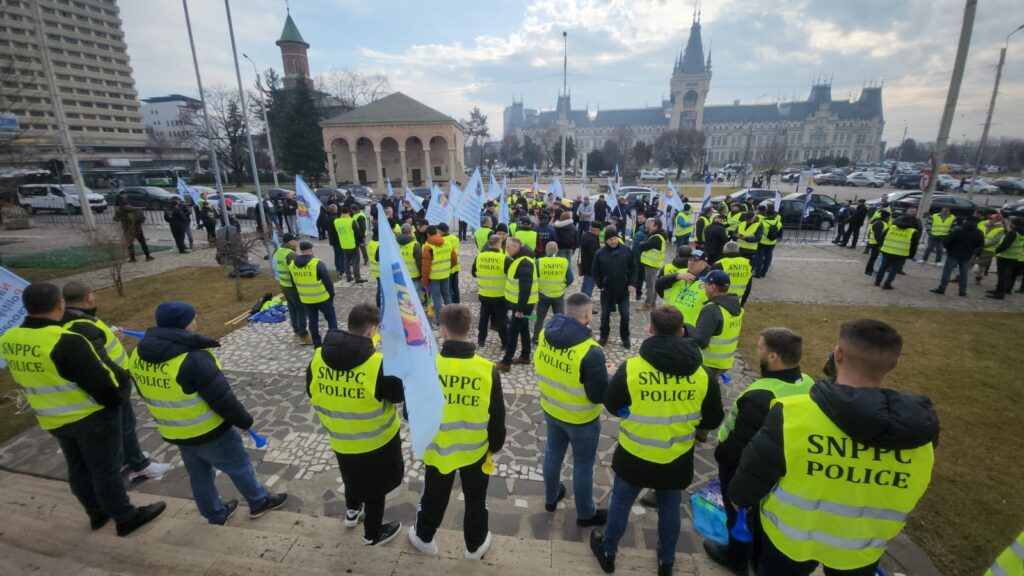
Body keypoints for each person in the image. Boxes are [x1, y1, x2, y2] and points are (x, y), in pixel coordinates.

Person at [729, 320, 938, 576]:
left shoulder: (792, 414)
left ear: (838, 354)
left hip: (790, 543)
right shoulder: (920, 434)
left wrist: (740, 498)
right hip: (861, 549)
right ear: (893, 365)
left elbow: (755, 470)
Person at [0, 283, 167, 536]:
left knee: (78, 467)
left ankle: (97, 513)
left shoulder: (10, 338)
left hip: (52, 417)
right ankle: (125, 517)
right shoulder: (66, 341)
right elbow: (100, 383)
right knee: (106, 469)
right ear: (60, 304)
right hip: (90, 417)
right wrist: (115, 403)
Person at [591, 305, 723, 576]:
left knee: (620, 504)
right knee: (670, 510)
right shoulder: (702, 375)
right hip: (676, 457)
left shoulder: (632, 369)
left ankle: (608, 551)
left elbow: (613, 405)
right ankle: (666, 561)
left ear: (650, 329)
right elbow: (712, 420)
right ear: (682, 331)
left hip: (634, 454)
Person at [130, 302, 288, 525]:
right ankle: (259, 501)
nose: (197, 321)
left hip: (174, 429)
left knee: (199, 473)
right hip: (209, 430)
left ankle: (215, 513)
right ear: (183, 324)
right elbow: (221, 398)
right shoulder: (193, 358)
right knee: (239, 464)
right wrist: (244, 421)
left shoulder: (138, 354)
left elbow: (143, 390)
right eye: (193, 318)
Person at [703, 328, 814, 573]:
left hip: (746, 466)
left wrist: (723, 458)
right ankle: (757, 555)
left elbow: (740, 440)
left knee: (739, 513)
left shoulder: (762, 395)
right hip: (785, 462)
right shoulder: (807, 383)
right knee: (765, 512)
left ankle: (737, 557)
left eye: (760, 347)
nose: (757, 351)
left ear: (773, 357)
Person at [409, 304, 505, 560]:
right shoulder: (487, 370)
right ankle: (475, 544)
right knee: (476, 498)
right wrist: (494, 445)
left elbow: (410, 413)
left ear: (442, 331)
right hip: (474, 449)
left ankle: (424, 536)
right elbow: (496, 415)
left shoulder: (427, 367)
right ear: (470, 329)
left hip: (438, 447)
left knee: (433, 495)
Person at [306, 304, 405, 546]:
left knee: (351, 477)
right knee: (375, 489)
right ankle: (372, 534)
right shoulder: (377, 364)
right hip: (376, 442)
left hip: (341, 438)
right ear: (372, 331)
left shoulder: (319, 357)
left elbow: (310, 390)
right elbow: (397, 395)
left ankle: (351, 513)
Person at [61, 281, 172, 482]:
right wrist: (121, 378)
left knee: (122, 425)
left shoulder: (71, 320)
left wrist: (111, 338)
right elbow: (96, 359)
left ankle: (128, 457)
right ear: (88, 298)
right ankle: (139, 465)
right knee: (125, 425)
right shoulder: (82, 325)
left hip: (104, 385)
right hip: (112, 384)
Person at [534, 293, 609, 525]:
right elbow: (597, 394)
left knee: (552, 453)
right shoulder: (591, 351)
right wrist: (608, 376)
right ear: (587, 314)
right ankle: (586, 514)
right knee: (583, 465)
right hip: (581, 419)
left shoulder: (545, 333)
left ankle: (550, 498)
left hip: (552, 408)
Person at [691, 270, 743, 382]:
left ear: (712, 287)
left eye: (705, 283)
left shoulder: (711, 309)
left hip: (708, 362)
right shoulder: (735, 306)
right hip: (725, 361)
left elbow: (701, 341)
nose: (703, 286)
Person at [592, 225, 636, 349]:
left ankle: (625, 337)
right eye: (610, 239)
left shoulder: (626, 251)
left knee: (625, 315)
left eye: (615, 238)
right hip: (607, 290)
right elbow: (595, 271)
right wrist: (600, 284)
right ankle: (603, 336)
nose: (613, 241)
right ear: (606, 240)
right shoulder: (600, 253)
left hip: (623, 290)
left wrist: (632, 283)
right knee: (605, 315)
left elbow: (633, 268)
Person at [496, 237, 537, 372]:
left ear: (516, 247)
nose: (506, 250)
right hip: (522, 304)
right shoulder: (520, 259)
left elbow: (525, 288)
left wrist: (520, 309)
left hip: (523, 305)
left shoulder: (524, 263)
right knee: (524, 328)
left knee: (513, 332)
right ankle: (525, 356)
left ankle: (506, 362)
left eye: (508, 247)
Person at [289, 241, 338, 348]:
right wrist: (331, 295)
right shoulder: (317, 263)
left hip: (306, 299)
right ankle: (333, 342)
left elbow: (293, 283)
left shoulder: (292, 265)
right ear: (311, 249)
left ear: (301, 250)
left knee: (312, 321)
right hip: (322, 297)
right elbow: (328, 282)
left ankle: (317, 344)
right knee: (331, 318)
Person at [930, 216, 984, 297]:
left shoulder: (958, 230)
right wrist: (974, 253)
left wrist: (948, 249)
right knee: (964, 273)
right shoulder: (979, 232)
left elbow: (947, 241)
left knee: (947, 272)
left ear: (966, 221)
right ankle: (962, 291)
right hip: (967, 255)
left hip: (953, 253)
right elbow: (980, 245)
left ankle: (942, 288)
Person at [272, 233, 311, 344]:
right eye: (295, 240)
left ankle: (296, 329)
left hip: (284, 285)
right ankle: (303, 335)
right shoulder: (291, 255)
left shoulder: (278, 252)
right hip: (294, 288)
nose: (297, 242)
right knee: (301, 310)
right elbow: (297, 272)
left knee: (292, 309)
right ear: (290, 242)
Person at [532, 241, 573, 344]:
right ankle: (560, 336)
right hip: (558, 294)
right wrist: (563, 285)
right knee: (560, 318)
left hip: (543, 294)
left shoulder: (539, 262)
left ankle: (536, 337)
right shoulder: (563, 262)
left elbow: (534, 278)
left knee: (540, 318)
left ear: (546, 250)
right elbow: (570, 278)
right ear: (557, 250)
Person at [472, 234, 508, 349]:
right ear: (499, 244)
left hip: (484, 294)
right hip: (500, 295)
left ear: (489, 244)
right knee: (501, 320)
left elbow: (473, 272)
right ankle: (504, 343)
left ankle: (481, 340)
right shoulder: (505, 258)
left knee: (483, 318)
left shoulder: (480, 257)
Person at [874, 213, 920, 290]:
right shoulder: (913, 231)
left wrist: (880, 245)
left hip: (887, 251)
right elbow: (914, 245)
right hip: (901, 254)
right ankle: (887, 284)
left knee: (883, 267)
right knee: (894, 270)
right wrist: (911, 255)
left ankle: (877, 281)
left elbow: (882, 236)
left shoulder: (892, 227)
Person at [421, 225, 454, 327]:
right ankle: (451, 315)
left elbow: (426, 267)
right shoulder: (447, 243)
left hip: (434, 277)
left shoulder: (427, 247)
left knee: (436, 298)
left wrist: (425, 281)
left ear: (427, 234)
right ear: (437, 233)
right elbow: (454, 258)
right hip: (445, 274)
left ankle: (439, 320)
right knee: (447, 295)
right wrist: (448, 267)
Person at [987, 217, 1023, 299]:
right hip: (1014, 257)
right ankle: (1002, 290)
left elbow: (1005, 245)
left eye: (1010, 222)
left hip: (1004, 256)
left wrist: (996, 251)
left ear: (1013, 224)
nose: (1009, 223)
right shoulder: (1021, 233)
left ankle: (999, 294)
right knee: (1007, 275)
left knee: (1002, 276)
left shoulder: (1013, 233)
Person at [637, 218, 667, 311]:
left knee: (650, 285)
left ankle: (647, 304)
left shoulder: (656, 237)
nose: (649, 226)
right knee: (652, 283)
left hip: (651, 264)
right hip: (653, 264)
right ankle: (652, 303)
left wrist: (642, 243)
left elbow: (643, 246)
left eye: (652, 225)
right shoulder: (658, 236)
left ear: (656, 227)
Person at [717, 242, 753, 306]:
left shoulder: (719, 264)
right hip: (738, 301)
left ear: (724, 251)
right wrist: (742, 303)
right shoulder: (747, 263)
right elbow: (748, 287)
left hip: (721, 302)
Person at [975, 214, 1007, 285]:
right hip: (977, 246)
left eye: (992, 219)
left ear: (997, 220)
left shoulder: (1000, 229)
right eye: (990, 218)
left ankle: (978, 279)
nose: (990, 220)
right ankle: (960, 276)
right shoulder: (984, 224)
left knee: (982, 265)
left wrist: (982, 244)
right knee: (969, 261)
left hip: (988, 249)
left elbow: (995, 240)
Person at [755, 207, 782, 278]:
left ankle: (757, 273)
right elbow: (780, 234)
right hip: (772, 243)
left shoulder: (762, 223)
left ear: (766, 215)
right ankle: (764, 273)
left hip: (762, 243)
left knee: (759, 258)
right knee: (768, 258)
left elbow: (758, 233)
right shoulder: (779, 223)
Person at [439, 223, 461, 304]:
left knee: (448, 289)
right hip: (456, 267)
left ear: (441, 231)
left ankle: (451, 306)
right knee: (455, 288)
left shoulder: (442, 240)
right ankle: (457, 304)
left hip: (447, 268)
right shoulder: (455, 238)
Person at [863, 209, 890, 276]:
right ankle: (868, 271)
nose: (889, 219)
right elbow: (877, 235)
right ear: (886, 217)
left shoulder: (881, 223)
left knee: (875, 257)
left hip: (875, 243)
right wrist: (880, 244)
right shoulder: (880, 224)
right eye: (889, 217)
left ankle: (872, 270)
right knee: (873, 258)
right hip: (876, 244)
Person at [579, 221, 602, 297]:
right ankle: (586, 304)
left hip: (585, 264)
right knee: (589, 286)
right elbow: (594, 255)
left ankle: (581, 301)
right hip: (591, 266)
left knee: (585, 284)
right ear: (596, 230)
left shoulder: (585, 236)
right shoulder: (593, 240)